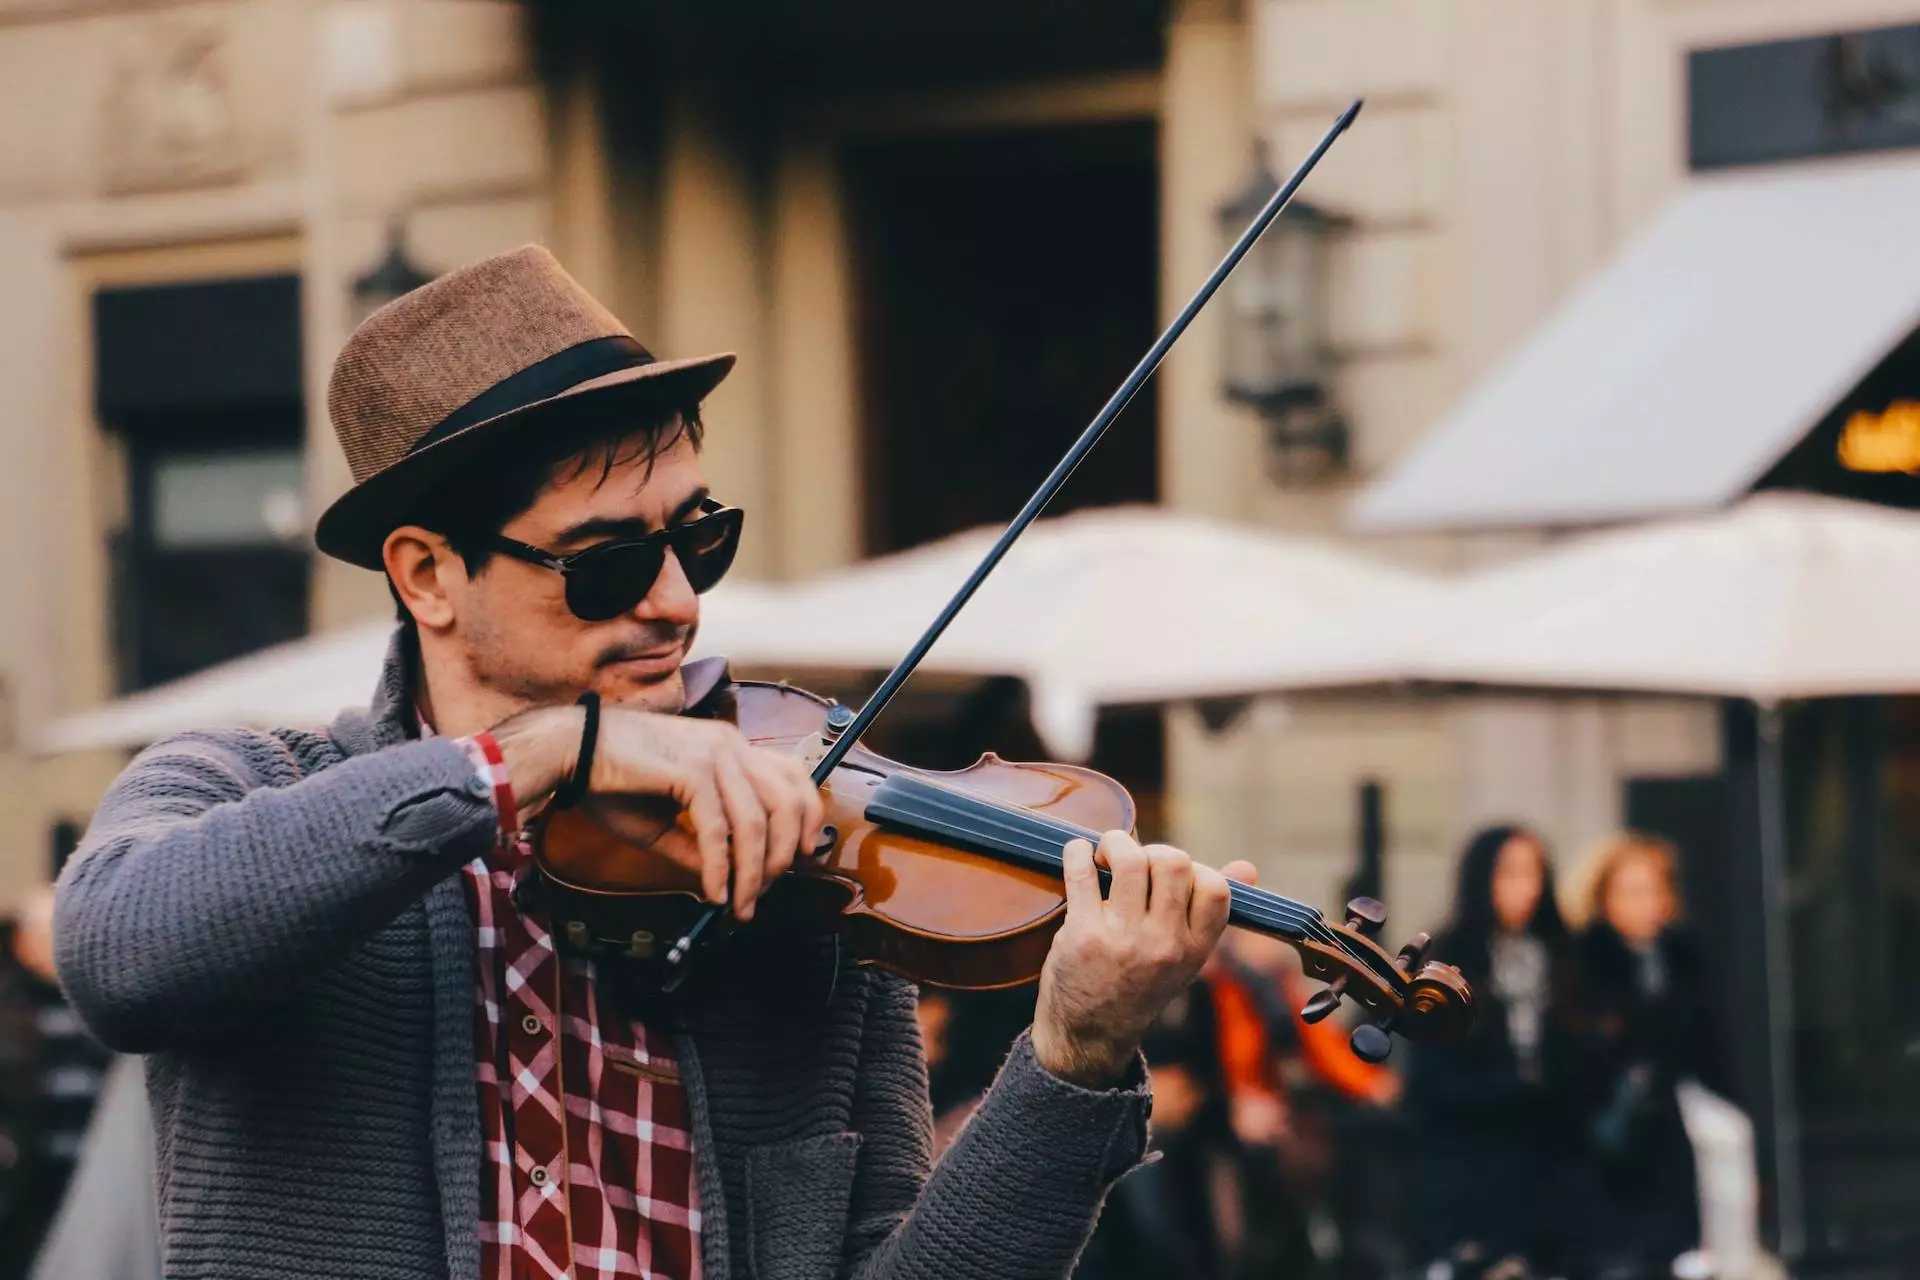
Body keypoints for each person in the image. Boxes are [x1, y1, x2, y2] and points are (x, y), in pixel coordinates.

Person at [53, 246, 1257, 1280]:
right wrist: (538, 753)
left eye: (697, 538)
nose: (678, 602)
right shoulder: (247, 783)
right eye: (607, 560)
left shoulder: (803, 865)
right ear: (428, 573)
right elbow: (119, 951)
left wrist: (1074, 1056)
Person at [1403, 824, 1579, 1278]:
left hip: (1547, 1160)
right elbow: (1428, 1077)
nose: (1524, 889)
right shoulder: (1451, 957)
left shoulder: (1562, 954)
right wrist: (1514, 1085)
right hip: (1472, 1157)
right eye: (1510, 874)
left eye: (1533, 874)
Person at [1564, 833, 1726, 1279]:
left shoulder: (1681, 959)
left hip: (1668, 1137)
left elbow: (1709, 1052)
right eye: (1631, 891)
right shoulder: (1585, 963)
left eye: (1654, 890)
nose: (1646, 904)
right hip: (1605, 1141)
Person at [0, 887, 109, 1278]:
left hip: (91, 1177)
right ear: (21, 940)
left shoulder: (99, 1000)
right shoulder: (9, 1005)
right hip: (25, 1181)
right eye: (46, 933)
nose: (55, 945)